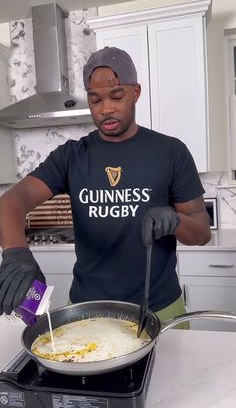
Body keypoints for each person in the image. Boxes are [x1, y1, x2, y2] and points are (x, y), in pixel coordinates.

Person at [0, 46, 211, 326]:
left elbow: (201, 232)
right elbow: (13, 200)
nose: (106, 109)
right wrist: (16, 253)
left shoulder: (170, 151)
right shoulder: (71, 156)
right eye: (95, 100)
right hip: (88, 311)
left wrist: (174, 220)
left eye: (116, 96)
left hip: (159, 310)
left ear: (135, 93)